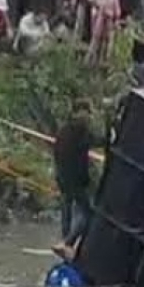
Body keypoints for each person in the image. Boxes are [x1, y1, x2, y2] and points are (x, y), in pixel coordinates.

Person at [52, 98, 101, 257]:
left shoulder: (63, 130)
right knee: (88, 214)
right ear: (79, 112)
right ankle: (68, 243)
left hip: (63, 179)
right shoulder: (79, 130)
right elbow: (94, 141)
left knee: (67, 213)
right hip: (76, 181)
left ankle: (65, 243)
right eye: (87, 112)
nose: (89, 116)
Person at [86, 0, 120, 66]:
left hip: (108, 15)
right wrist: (100, 7)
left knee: (107, 38)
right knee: (96, 37)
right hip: (97, 15)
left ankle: (103, 59)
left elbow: (113, 2)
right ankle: (92, 59)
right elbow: (91, 0)